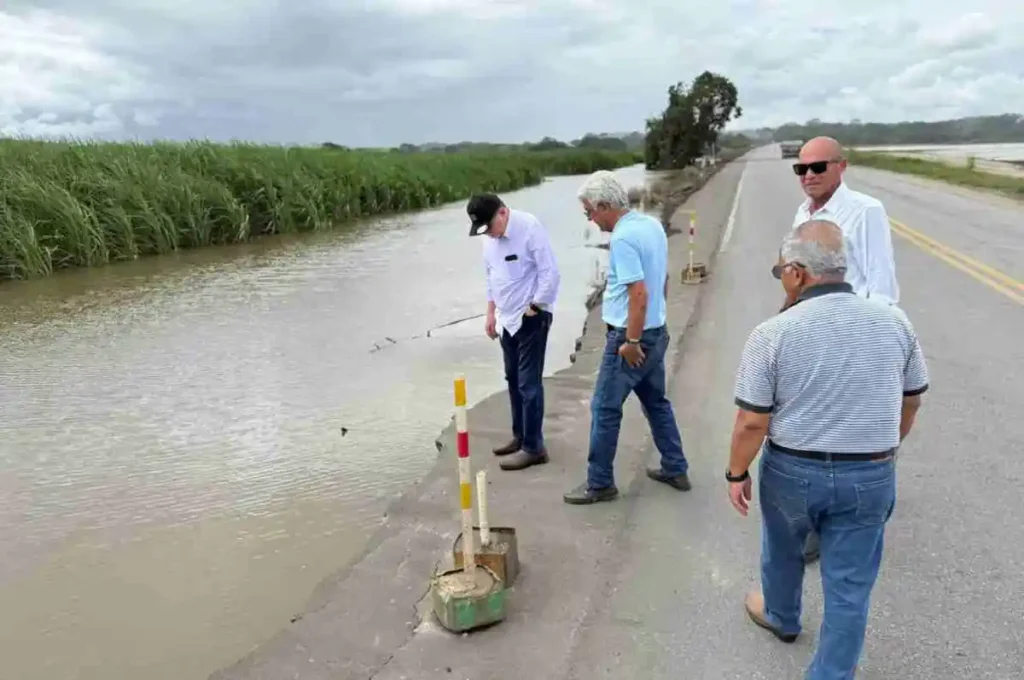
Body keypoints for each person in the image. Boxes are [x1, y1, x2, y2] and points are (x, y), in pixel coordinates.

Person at [726, 219, 928, 679]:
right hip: (870, 473)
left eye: (780, 271)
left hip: (792, 470)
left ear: (797, 273)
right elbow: (912, 398)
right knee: (849, 586)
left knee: (782, 546)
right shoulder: (894, 322)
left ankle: (781, 615)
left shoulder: (772, 333)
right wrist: (885, 447)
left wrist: (736, 473)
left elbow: (753, 421)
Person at [788, 136, 903, 564]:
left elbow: (881, 284)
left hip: (853, 336)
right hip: (811, 334)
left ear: (842, 166)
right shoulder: (802, 213)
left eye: (818, 166)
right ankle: (821, 511)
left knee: (851, 432)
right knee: (812, 427)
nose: (809, 175)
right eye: (801, 168)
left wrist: (869, 344)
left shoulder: (865, 211)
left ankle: (841, 517)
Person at [563, 170, 690, 505]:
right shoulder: (650, 225)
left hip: (631, 337)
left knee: (605, 408)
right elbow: (661, 279)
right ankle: (675, 467)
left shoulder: (623, 239)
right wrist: (656, 322)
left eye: (590, 212)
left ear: (605, 206)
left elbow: (638, 294)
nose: (590, 220)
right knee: (656, 402)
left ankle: (599, 483)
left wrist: (631, 342)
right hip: (655, 331)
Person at [468, 193, 561, 472]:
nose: (489, 234)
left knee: (528, 383)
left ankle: (534, 448)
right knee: (512, 378)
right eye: (483, 230)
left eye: (489, 227)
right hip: (505, 319)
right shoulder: (489, 238)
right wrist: (490, 313)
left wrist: (535, 306)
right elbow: (491, 277)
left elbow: (550, 273)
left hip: (531, 316)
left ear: (503, 213)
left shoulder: (529, 227)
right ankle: (520, 436)